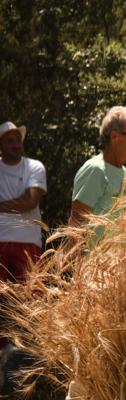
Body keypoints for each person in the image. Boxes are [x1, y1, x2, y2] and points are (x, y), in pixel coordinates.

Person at [59, 106, 126, 400]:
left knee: (104, 341)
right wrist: (76, 272)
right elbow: (76, 223)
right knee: (96, 340)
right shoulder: (95, 170)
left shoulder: (123, 175)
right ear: (114, 136)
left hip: (120, 270)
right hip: (95, 269)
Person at [0, 121, 46, 286]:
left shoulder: (34, 167)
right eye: (9, 141)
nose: (16, 145)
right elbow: (25, 201)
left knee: (31, 302)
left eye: (17, 140)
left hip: (28, 242)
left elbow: (30, 201)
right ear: (1, 146)